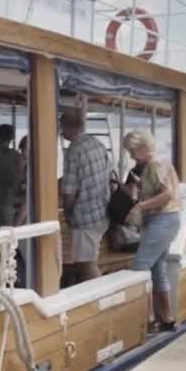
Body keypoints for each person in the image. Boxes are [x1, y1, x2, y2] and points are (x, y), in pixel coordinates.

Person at [121, 132, 182, 331]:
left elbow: (167, 194)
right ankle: (165, 317)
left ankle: (142, 319)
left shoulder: (155, 164)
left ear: (140, 149)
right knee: (158, 270)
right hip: (168, 219)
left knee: (140, 266)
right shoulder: (161, 162)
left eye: (132, 151)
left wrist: (141, 206)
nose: (131, 156)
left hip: (162, 220)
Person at [59, 110, 111, 284]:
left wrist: (67, 214)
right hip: (102, 212)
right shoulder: (97, 144)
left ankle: (101, 298)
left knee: (86, 265)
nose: (60, 131)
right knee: (90, 261)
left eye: (61, 127)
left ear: (68, 127)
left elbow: (69, 191)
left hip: (84, 216)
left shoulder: (74, 151)